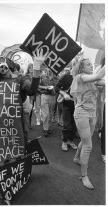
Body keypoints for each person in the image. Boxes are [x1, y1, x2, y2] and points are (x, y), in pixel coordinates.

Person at [70, 57, 105, 189]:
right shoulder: (80, 77)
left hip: (92, 113)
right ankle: (84, 175)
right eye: (88, 65)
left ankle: (76, 158)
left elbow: (102, 81)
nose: (91, 66)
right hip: (81, 114)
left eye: (91, 64)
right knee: (88, 146)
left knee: (87, 140)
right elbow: (100, 75)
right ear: (81, 68)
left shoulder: (93, 80)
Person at [55, 66, 77, 151]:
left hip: (77, 105)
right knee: (67, 124)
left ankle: (70, 141)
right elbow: (56, 87)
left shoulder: (82, 77)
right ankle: (64, 141)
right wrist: (64, 94)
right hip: (66, 104)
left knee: (74, 124)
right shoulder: (66, 76)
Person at [39, 67, 56, 137]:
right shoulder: (42, 76)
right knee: (46, 114)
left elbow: (58, 87)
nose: (50, 70)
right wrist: (45, 87)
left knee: (51, 114)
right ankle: (45, 129)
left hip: (53, 97)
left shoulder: (56, 78)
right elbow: (38, 86)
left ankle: (48, 127)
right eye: (49, 69)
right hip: (45, 96)